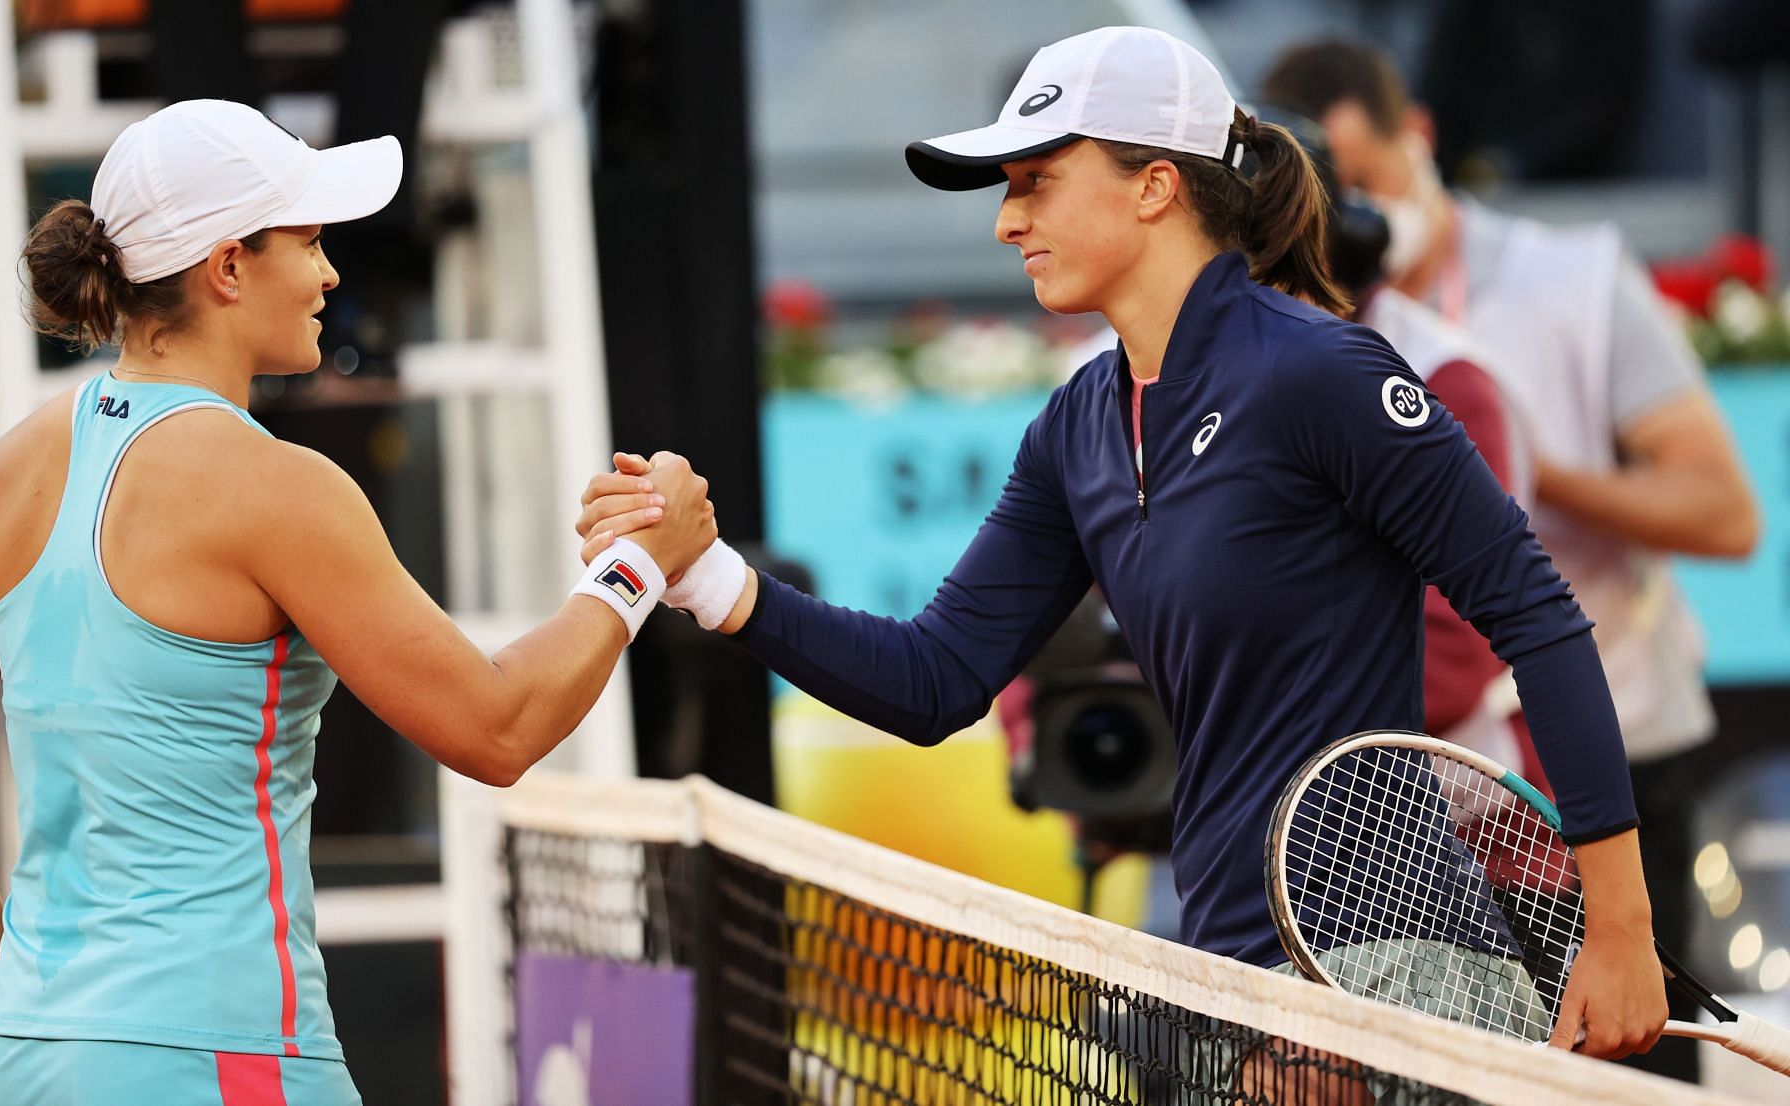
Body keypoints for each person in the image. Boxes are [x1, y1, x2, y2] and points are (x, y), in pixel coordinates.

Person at [578, 26, 1668, 1071]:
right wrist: (710, 574)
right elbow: (935, 679)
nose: (1007, 222)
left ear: (1156, 186)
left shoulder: (1324, 374)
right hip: (1229, 975)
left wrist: (1618, 930)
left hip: (1395, 973)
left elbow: (1538, 615)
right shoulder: (1076, 428)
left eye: (1035, 180)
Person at [0, 99, 713, 1104]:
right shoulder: (277, 488)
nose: (330, 274)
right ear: (228, 267)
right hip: (221, 1057)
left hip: (32, 1059)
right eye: (309, 241)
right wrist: (636, 568)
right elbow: (499, 727)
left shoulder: (3, 474)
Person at [1262, 40, 1759, 1083]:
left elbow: (1725, 513)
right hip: (1424, 813)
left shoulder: (1572, 280)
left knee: (1630, 1078)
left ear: (1422, 141)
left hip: (1618, 748)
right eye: (1321, 185)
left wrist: (1502, 473)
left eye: (1367, 177)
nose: (1350, 206)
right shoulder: (1293, 335)